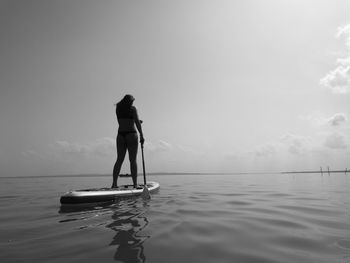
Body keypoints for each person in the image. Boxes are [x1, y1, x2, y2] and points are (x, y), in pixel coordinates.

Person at [112, 94, 144, 188]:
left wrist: (135, 120)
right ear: (130, 101)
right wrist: (141, 135)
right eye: (132, 101)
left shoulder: (118, 108)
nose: (133, 102)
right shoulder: (133, 109)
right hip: (131, 134)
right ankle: (135, 184)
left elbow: (123, 121)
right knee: (133, 160)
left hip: (121, 135)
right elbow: (137, 123)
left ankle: (114, 184)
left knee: (119, 160)